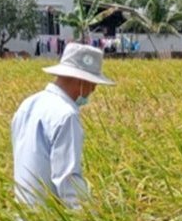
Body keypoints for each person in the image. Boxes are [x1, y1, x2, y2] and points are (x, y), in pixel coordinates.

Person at [10, 42, 114, 210]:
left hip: (23, 216)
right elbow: (68, 179)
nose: (93, 89)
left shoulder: (27, 104)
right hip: (50, 220)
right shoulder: (66, 115)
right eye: (92, 83)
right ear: (81, 80)